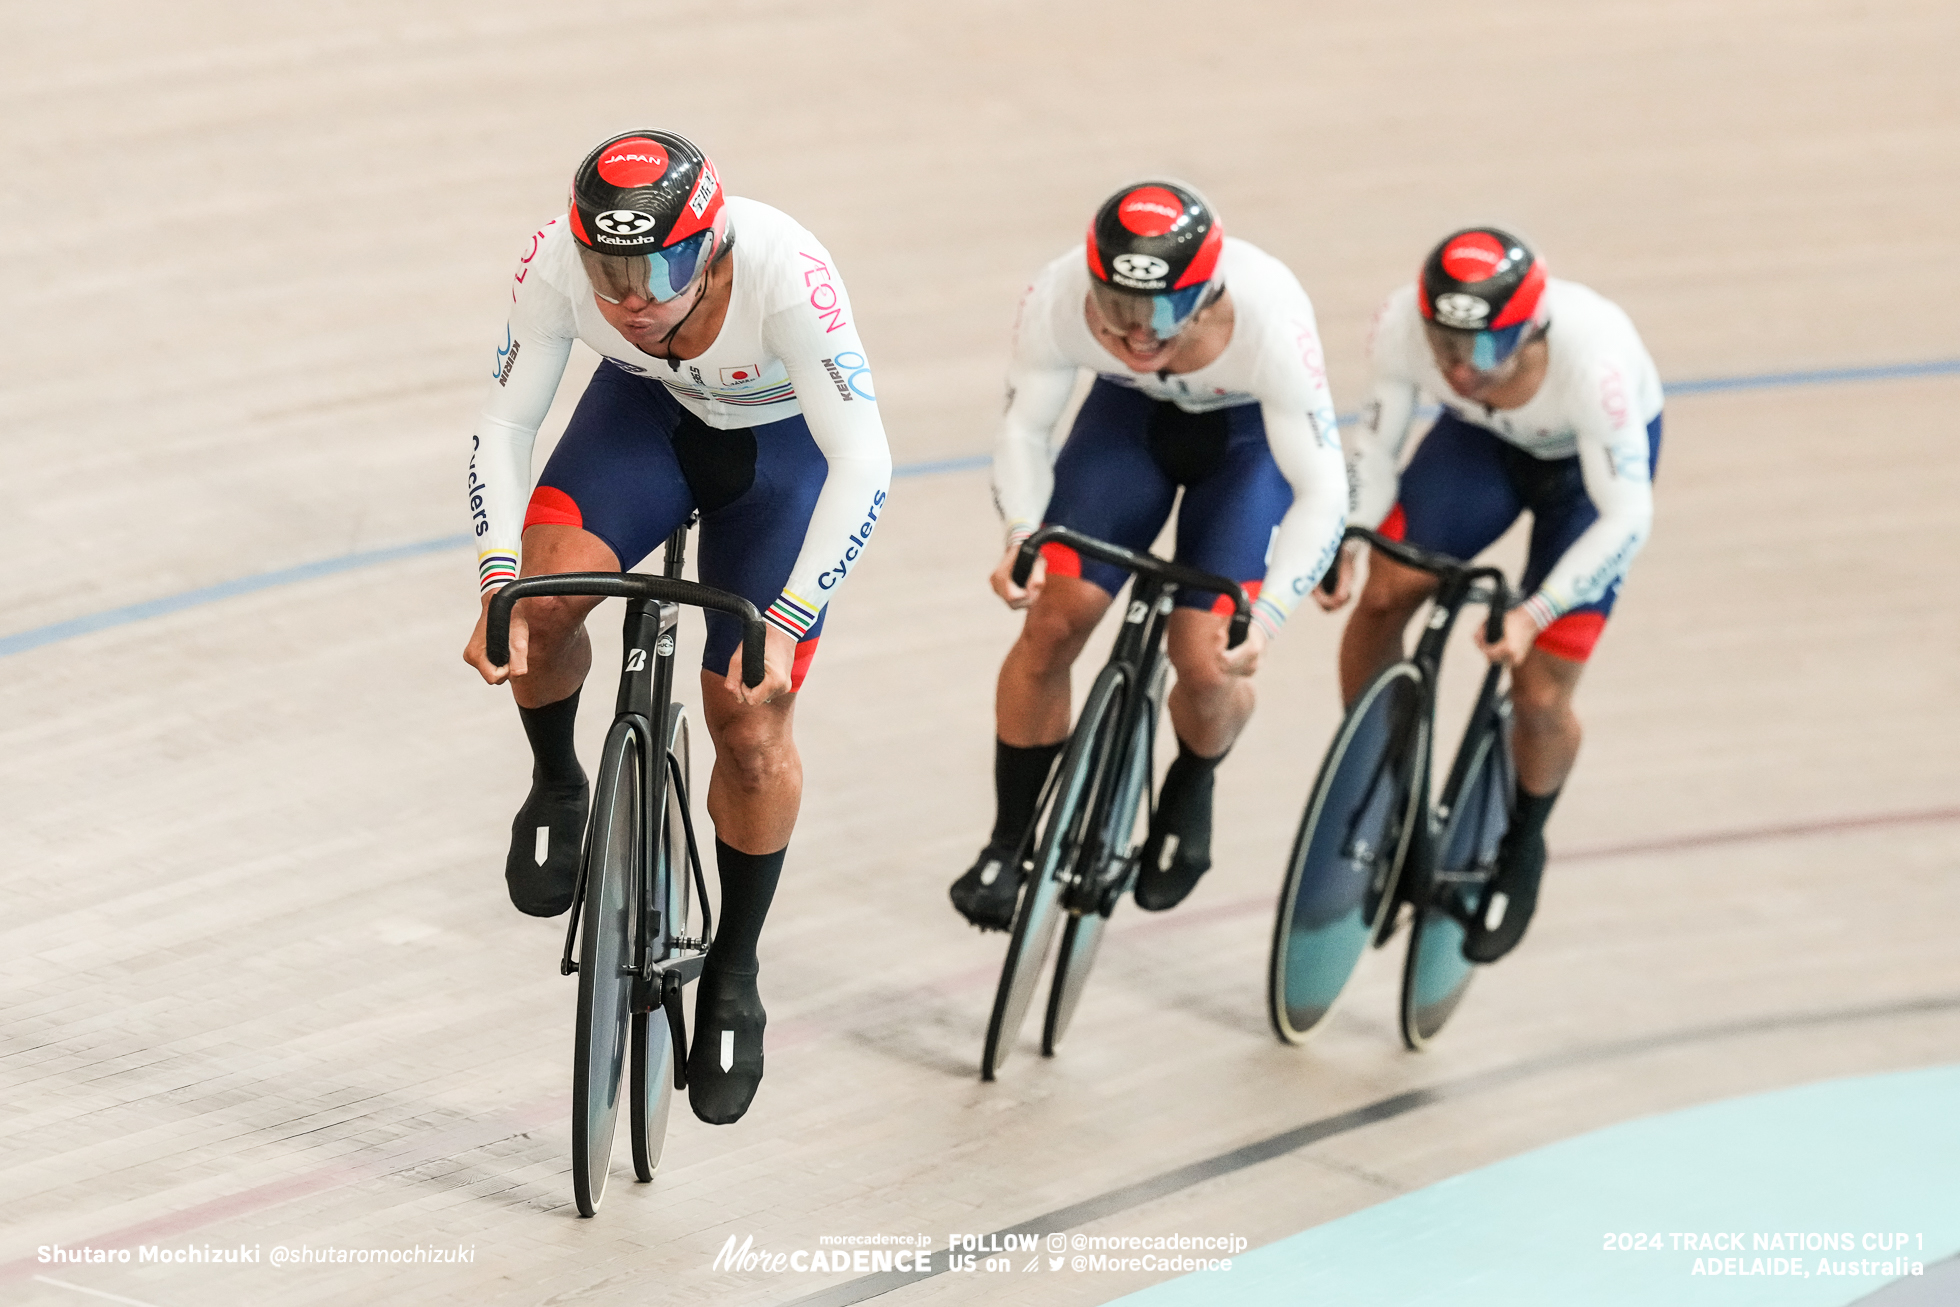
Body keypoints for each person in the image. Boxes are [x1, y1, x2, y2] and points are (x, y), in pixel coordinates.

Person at [460, 130, 892, 1123]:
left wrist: (790, 618)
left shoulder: (788, 273)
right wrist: (494, 576)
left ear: (713, 243)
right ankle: (559, 780)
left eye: (657, 267)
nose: (632, 296)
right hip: (642, 424)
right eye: (610, 270)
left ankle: (735, 971)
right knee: (540, 599)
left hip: (777, 465)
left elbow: (863, 459)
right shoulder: (559, 262)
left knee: (749, 719)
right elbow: (504, 424)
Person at [949, 180, 1348, 930]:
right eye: (1118, 311)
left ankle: (1192, 784)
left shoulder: (1270, 315)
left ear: (1207, 294)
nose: (1136, 335)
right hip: (1126, 425)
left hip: (1243, 446)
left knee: (1205, 661)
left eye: (1161, 313)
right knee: (1053, 621)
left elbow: (1323, 490)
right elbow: (1023, 430)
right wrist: (1022, 532)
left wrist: (1265, 620)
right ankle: (1008, 842)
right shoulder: (1060, 292)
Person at [1317, 227, 1662, 962]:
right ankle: (1380, 772)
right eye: (1446, 347)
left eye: (1484, 352)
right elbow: (1372, 450)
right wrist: (1348, 534)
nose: (1461, 367)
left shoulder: (1593, 358)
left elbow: (1627, 517)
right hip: (1481, 445)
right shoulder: (1402, 327)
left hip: (1585, 479)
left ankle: (1523, 843)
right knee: (1383, 593)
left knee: (1538, 696)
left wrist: (1536, 612)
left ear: (1532, 328)